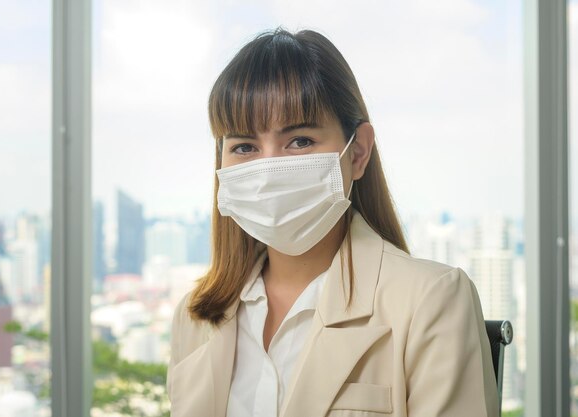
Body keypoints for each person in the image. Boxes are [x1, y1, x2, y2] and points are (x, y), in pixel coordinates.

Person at [167, 27, 499, 417]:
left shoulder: (432, 300)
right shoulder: (197, 315)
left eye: (300, 141)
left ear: (357, 153)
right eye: (244, 147)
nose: (269, 166)